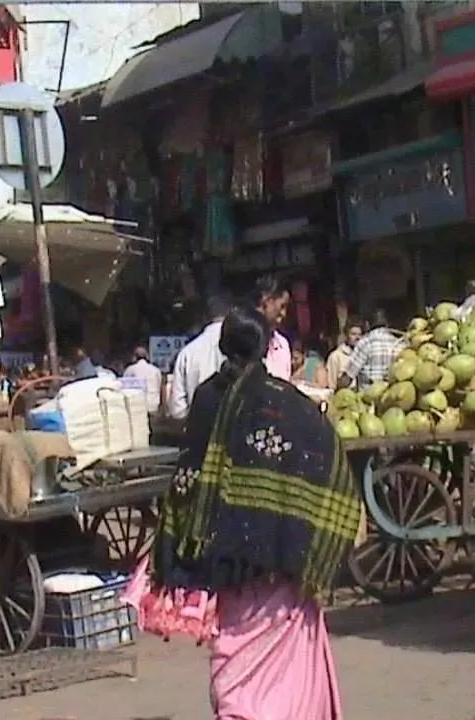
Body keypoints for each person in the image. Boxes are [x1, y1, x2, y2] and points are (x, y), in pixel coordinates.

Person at [148, 303, 360, 719]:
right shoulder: (286, 402)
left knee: (234, 655)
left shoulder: (209, 396)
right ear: (265, 348)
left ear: (225, 345)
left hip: (229, 560)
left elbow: (190, 471)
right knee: (278, 668)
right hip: (281, 556)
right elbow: (327, 452)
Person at [167, 292, 231, 421]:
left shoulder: (187, 352)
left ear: (204, 318)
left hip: (198, 430)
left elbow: (177, 410)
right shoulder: (240, 346)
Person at [338, 309, 405, 390]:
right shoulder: (399, 344)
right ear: (386, 324)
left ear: (367, 325)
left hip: (369, 397)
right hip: (390, 397)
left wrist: (336, 390)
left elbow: (348, 376)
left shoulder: (365, 343)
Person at [252, 275, 292, 381]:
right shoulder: (240, 339)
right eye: (282, 306)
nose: (284, 314)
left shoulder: (282, 344)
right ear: (266, 300)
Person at [123, 345, 164, 414]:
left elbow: (124, 388)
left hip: (137, 406)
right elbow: (160, 386)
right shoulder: (156, 370)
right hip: (153, 405)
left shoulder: (130, 369)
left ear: (134, 357)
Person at [327, 319, 363, 390]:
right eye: (353, 334)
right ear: (346, 335)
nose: (357, 338)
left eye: (360, 334)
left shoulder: (364, 354)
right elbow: (331, 384)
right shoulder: (336, 356)